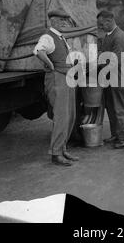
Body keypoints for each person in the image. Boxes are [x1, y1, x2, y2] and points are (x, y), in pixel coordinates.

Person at [33, 10, 79, 166]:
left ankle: (63, 149)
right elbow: (38, 51)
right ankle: (56, 154)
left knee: (70, 115)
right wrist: (50, 64)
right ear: (52, 20)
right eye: (60, 20)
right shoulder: (48, 36)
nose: (64, 22)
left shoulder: (60, 36)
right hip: (57, 78)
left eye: (65, 20)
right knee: (61, 117)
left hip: (67, 77)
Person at [97, 11, 124, 149]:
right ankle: (116, 134)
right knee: (111, 108)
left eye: (101, 24)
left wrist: (97, 63)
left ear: (109, 21)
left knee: (121, 108)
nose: (100, 27)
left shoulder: (120, 37)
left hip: (120, 77)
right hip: (110, 78)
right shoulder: (108, 36)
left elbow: (114, 60)